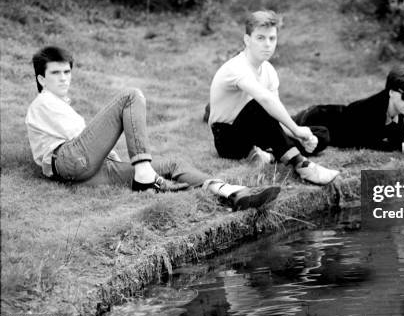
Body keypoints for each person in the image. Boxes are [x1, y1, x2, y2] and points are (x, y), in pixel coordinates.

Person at [25, 46, 280, 211]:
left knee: (173, 164)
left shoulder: (61, 105)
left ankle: (231, 192)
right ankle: (146, 176)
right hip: (68, 163)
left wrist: (117, 161)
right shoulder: (43, 103)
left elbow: (89, 147)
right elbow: (78, 145)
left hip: (86, 171)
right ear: (41, 79)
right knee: (130, 96)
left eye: (67, 72)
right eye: (56, 73)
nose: (64, 78)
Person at [207, 10, 339, 185]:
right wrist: (296, 130)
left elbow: (273, 116)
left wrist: (299, 134)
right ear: (247, 40)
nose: (267, 44)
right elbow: (266, 101)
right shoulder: (237, 68)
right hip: (228, 139)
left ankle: (267, 155)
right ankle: (302, 165)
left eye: (272, 39)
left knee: (320, 134)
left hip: (256, 131)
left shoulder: (268, 70)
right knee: (259, 106)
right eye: (260, 38)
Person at [293, 65, 404, 159]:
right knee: (283, 129)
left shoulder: (397, 108)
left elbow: (397, 133)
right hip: (315, 118)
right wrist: (402, 147)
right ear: (391, 92)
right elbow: (366, 141)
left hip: (324, 120)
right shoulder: (372, 108)